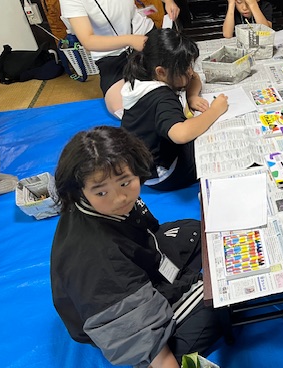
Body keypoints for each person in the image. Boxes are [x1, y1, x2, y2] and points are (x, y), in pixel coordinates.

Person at [51, 126, 222, 367]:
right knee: (221, 300)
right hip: (119, 313)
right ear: (79, 190)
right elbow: (154, 351)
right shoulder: (101, 261)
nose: (119, 198)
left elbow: (148, 229)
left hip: (142, 259)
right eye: (101, 192)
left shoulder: (94, 202)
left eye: (125, 182)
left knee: (197, 231)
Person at [121, 29, 228, 191]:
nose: (190, 71)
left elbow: (194, 77)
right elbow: (181, 134)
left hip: (142, 164)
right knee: (216, 146)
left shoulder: (142, 72)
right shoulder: (162, 98)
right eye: (184, 68)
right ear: (161, 72)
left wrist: (192, 96)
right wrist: (215, 110)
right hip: (164, 173)